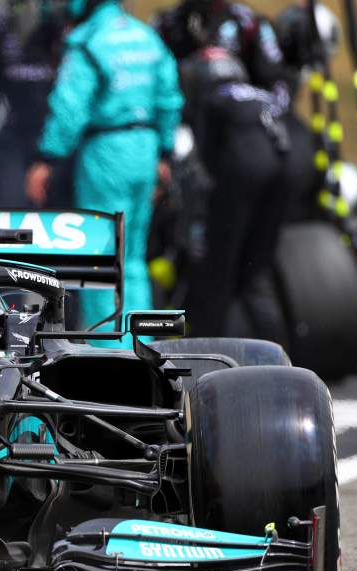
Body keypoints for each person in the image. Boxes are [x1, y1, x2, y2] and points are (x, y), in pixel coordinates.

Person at [25, 0, 183, 340]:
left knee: (102, 257)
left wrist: (46, 158)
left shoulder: (87, 42)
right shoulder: (146, 37)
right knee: (135, 258)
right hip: (148, 148)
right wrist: (164, 154)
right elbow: (169, 98)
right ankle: (141, 342)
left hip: (107, 153)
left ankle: (107, 350)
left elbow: (69, 108)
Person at [155, 0, 297, 343]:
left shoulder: (213, 100)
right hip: (282, 164)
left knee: (217, 269)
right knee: (256, 273)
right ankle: (283, 357)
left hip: (239, 171)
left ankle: (206, 351)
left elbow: (204, 157)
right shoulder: (253, 98)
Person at [0, 0, 66, 207]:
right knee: (8, 212)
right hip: (14, 140)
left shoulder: (65, 31)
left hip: (56, 141)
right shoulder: (1, 33)